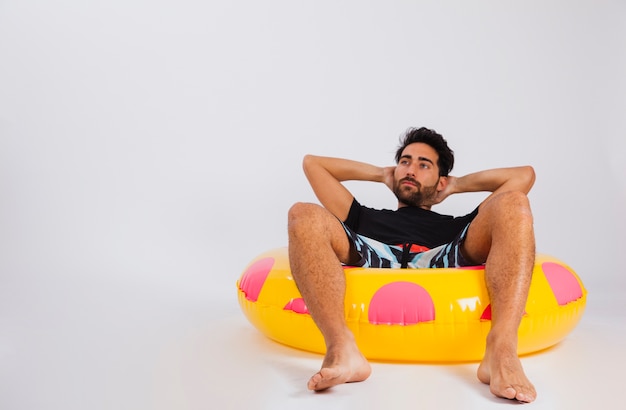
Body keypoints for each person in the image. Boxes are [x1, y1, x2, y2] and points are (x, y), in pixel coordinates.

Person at [287, 127, 537, 403]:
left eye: (423, 164)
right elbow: (313, 163)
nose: (410, 169)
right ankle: (341, 348)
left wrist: (455, 185)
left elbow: (523, 176)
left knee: (514, 203)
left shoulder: (458, 224)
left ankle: (501, 350)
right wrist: (384, 174)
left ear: (440, 181)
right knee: (303, 213)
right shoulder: (361, 216)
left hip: (444, 252)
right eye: (405, 162)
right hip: (372, 250)